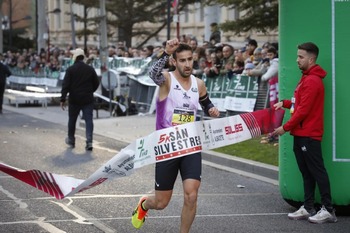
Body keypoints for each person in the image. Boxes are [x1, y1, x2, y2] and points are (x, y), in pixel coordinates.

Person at [131, 39, 220, 232]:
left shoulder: (199, 83)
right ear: (174, 61)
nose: (187, 64)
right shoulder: (167, 80)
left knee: (191, 195)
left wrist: (212, 109)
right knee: (161, 202)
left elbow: (206, 102)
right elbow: (152, 74)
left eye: (190, 60)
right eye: (182, 60)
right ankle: (144, 204)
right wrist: (165, 52)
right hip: (167, 147)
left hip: (190, 145)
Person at [272, 42, 337, 224]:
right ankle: (309, 207)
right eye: (297, 56)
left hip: (309, 135)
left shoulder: (312, 80)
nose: (297, 60)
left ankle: (328, 210)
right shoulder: (306, 77)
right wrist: (284, 103)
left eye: (301, 57)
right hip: (301, 134)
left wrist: (284, 128)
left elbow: (303, 111)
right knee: (307, 173)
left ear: (311, 59)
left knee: (317, 171)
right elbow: (297, 102)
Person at [60, 48, 100, 151]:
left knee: (72, 120)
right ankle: (89, 141)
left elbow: (65, 85)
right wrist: (90, 91)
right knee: (88, 120)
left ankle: (71, 139)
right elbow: (96, 83)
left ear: (75, 57)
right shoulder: (90, 69)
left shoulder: (70, 69)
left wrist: (63, 99)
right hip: (87, 98)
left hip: (74, 99)